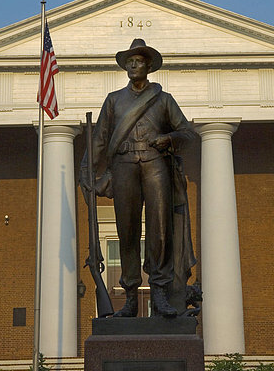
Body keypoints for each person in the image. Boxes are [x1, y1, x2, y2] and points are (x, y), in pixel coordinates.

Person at [81, 38, 196, 317]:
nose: (133, 66)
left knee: (159, 229)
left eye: (138, 61)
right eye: (129, 62)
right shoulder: (113, 100)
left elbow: (187, 134)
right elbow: (99, 140)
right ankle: (131, 296)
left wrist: (168, 138)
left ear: (148, 66)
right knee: (127, 230)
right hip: (123, 165)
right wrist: (88, 171)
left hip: (155, 163)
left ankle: (159, 292)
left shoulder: (163, 99)